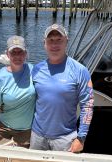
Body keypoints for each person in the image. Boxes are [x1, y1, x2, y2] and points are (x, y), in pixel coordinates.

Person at [30, 24, 94, 153]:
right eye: (50, 40)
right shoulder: (36, 69)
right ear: (44, 43)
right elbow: (28, 98)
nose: (54, 45)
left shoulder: (80, 70)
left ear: (66, 42)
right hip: (36, 136)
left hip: (65, 138)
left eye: (59, 40)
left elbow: (87, 105)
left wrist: (81, 138)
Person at [0, 35, 36, 148]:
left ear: (25, 53)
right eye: (13, 52)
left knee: (22, 160)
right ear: (7, 54)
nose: (17, 56)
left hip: (27, 129)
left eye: (20, 52)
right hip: (3, 125)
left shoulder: (33, 70)